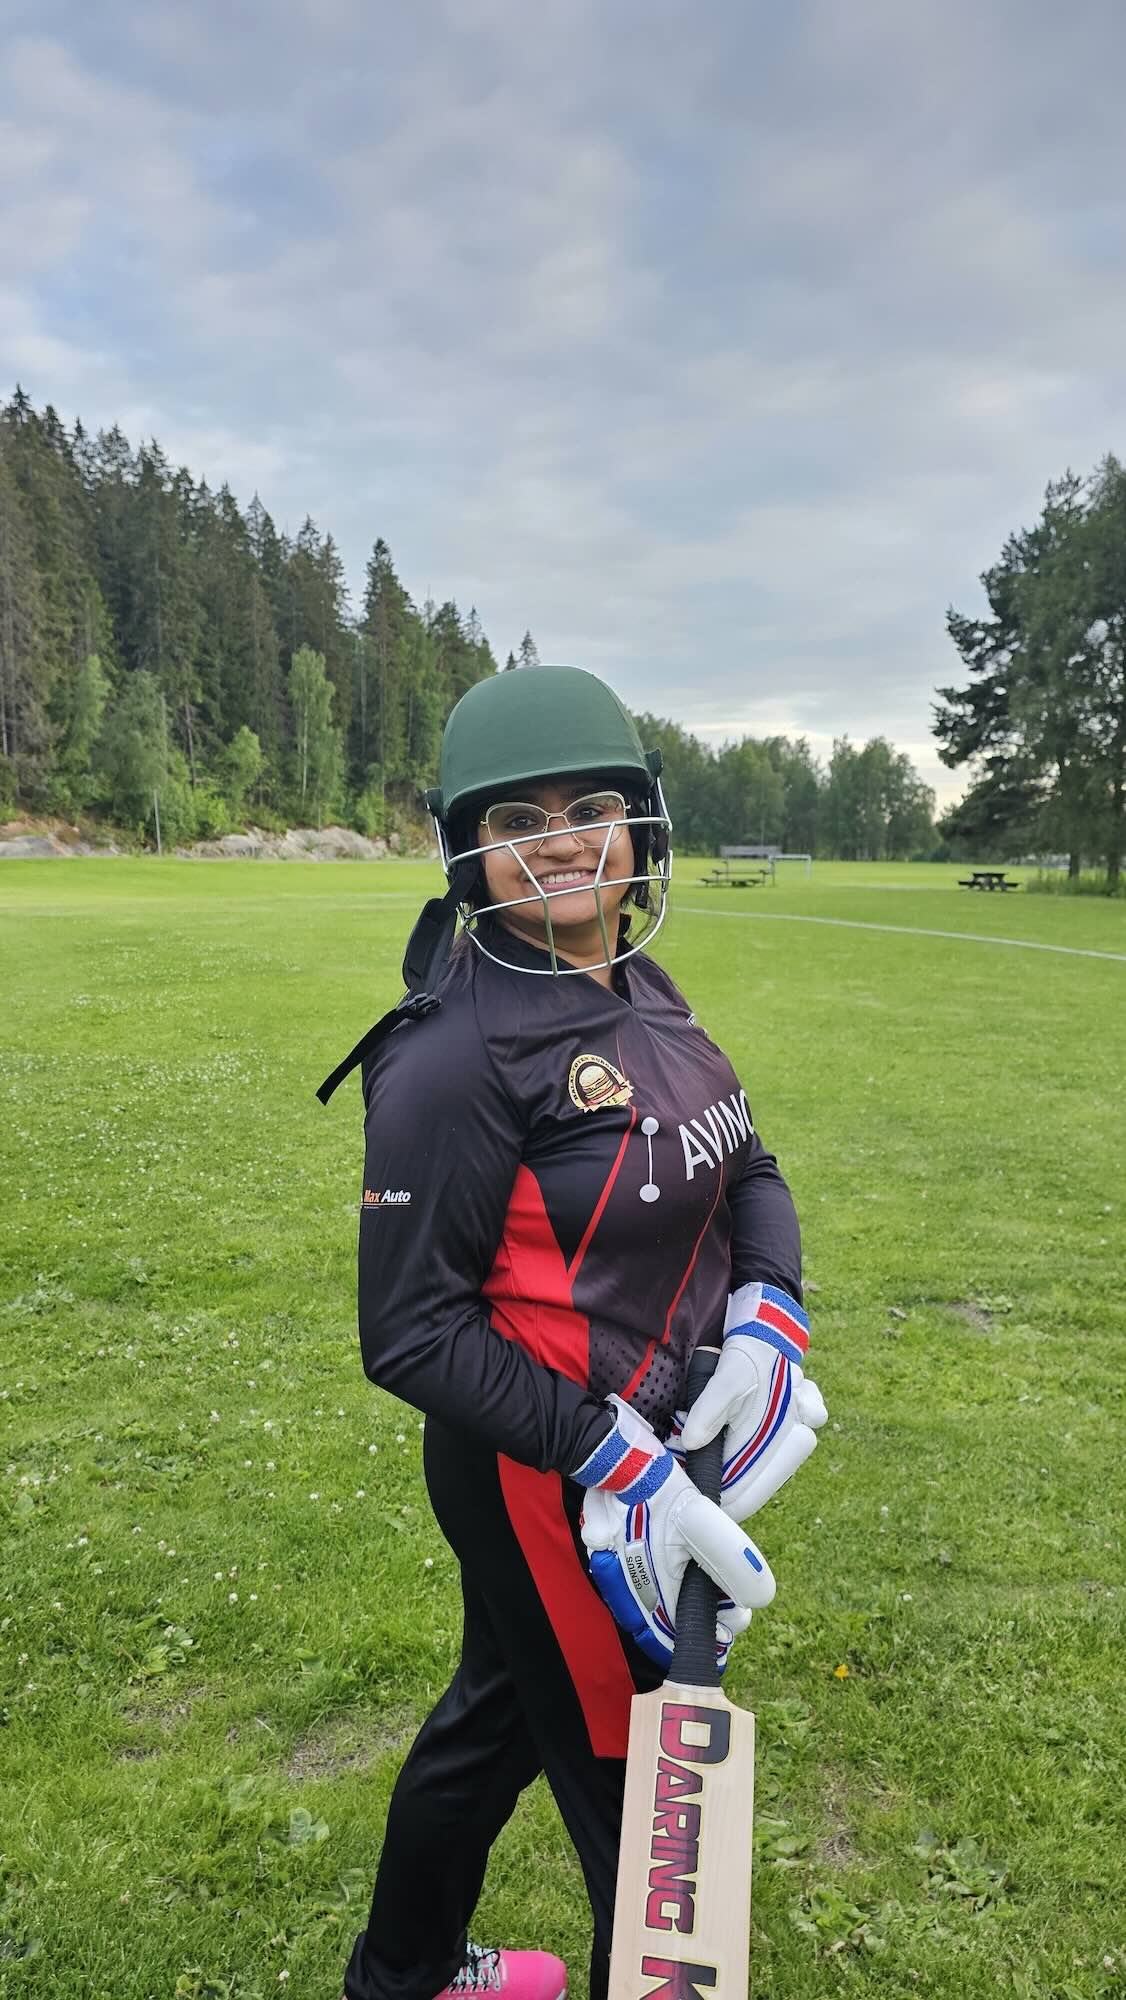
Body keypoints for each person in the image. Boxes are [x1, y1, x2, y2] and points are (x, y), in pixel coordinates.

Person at [319, 666, 827, 2000]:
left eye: (587, 805)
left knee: (496, 1716)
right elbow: (409, 1336)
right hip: (548, 1472)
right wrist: (622, 1461)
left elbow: (747, 1165)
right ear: (468, 853)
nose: (556, 837)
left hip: (643, 1434)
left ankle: (404, 1973)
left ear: (637, 827)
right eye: (514, 819)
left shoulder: (643, 986)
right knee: (653, 1784)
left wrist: (768, 1312)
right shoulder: (450, 1058)